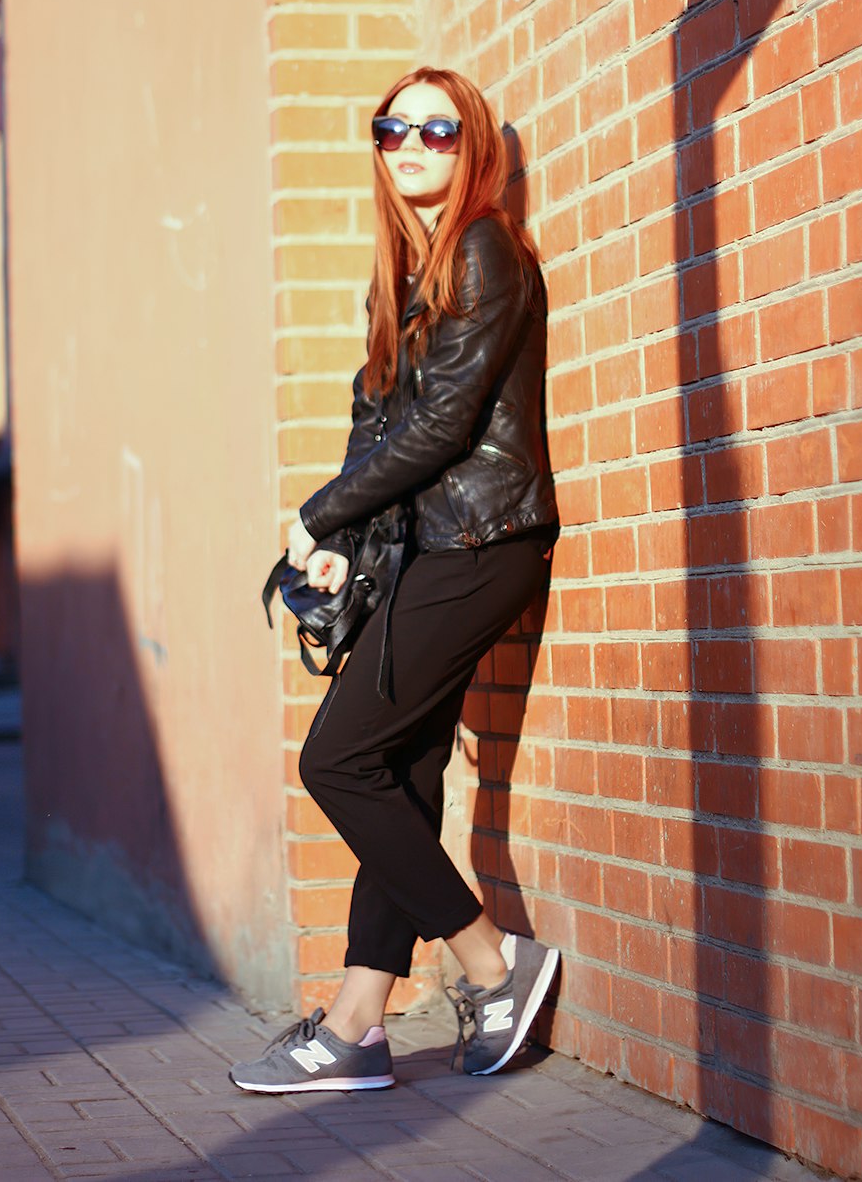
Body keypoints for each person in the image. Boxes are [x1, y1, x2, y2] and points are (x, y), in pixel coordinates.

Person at [231, 67, 560, 1094]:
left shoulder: (482, 249)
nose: (412, 143)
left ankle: (492, 964)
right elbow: (380, 420)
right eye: (392, 128)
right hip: (431, 549)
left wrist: (318, 512)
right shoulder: (407, 275)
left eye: (438, 129)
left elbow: (442, 426)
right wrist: (342, 540)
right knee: (403, 774)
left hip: (482, 544)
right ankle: (357, 1025)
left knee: (337, 759)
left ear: (473, 148)